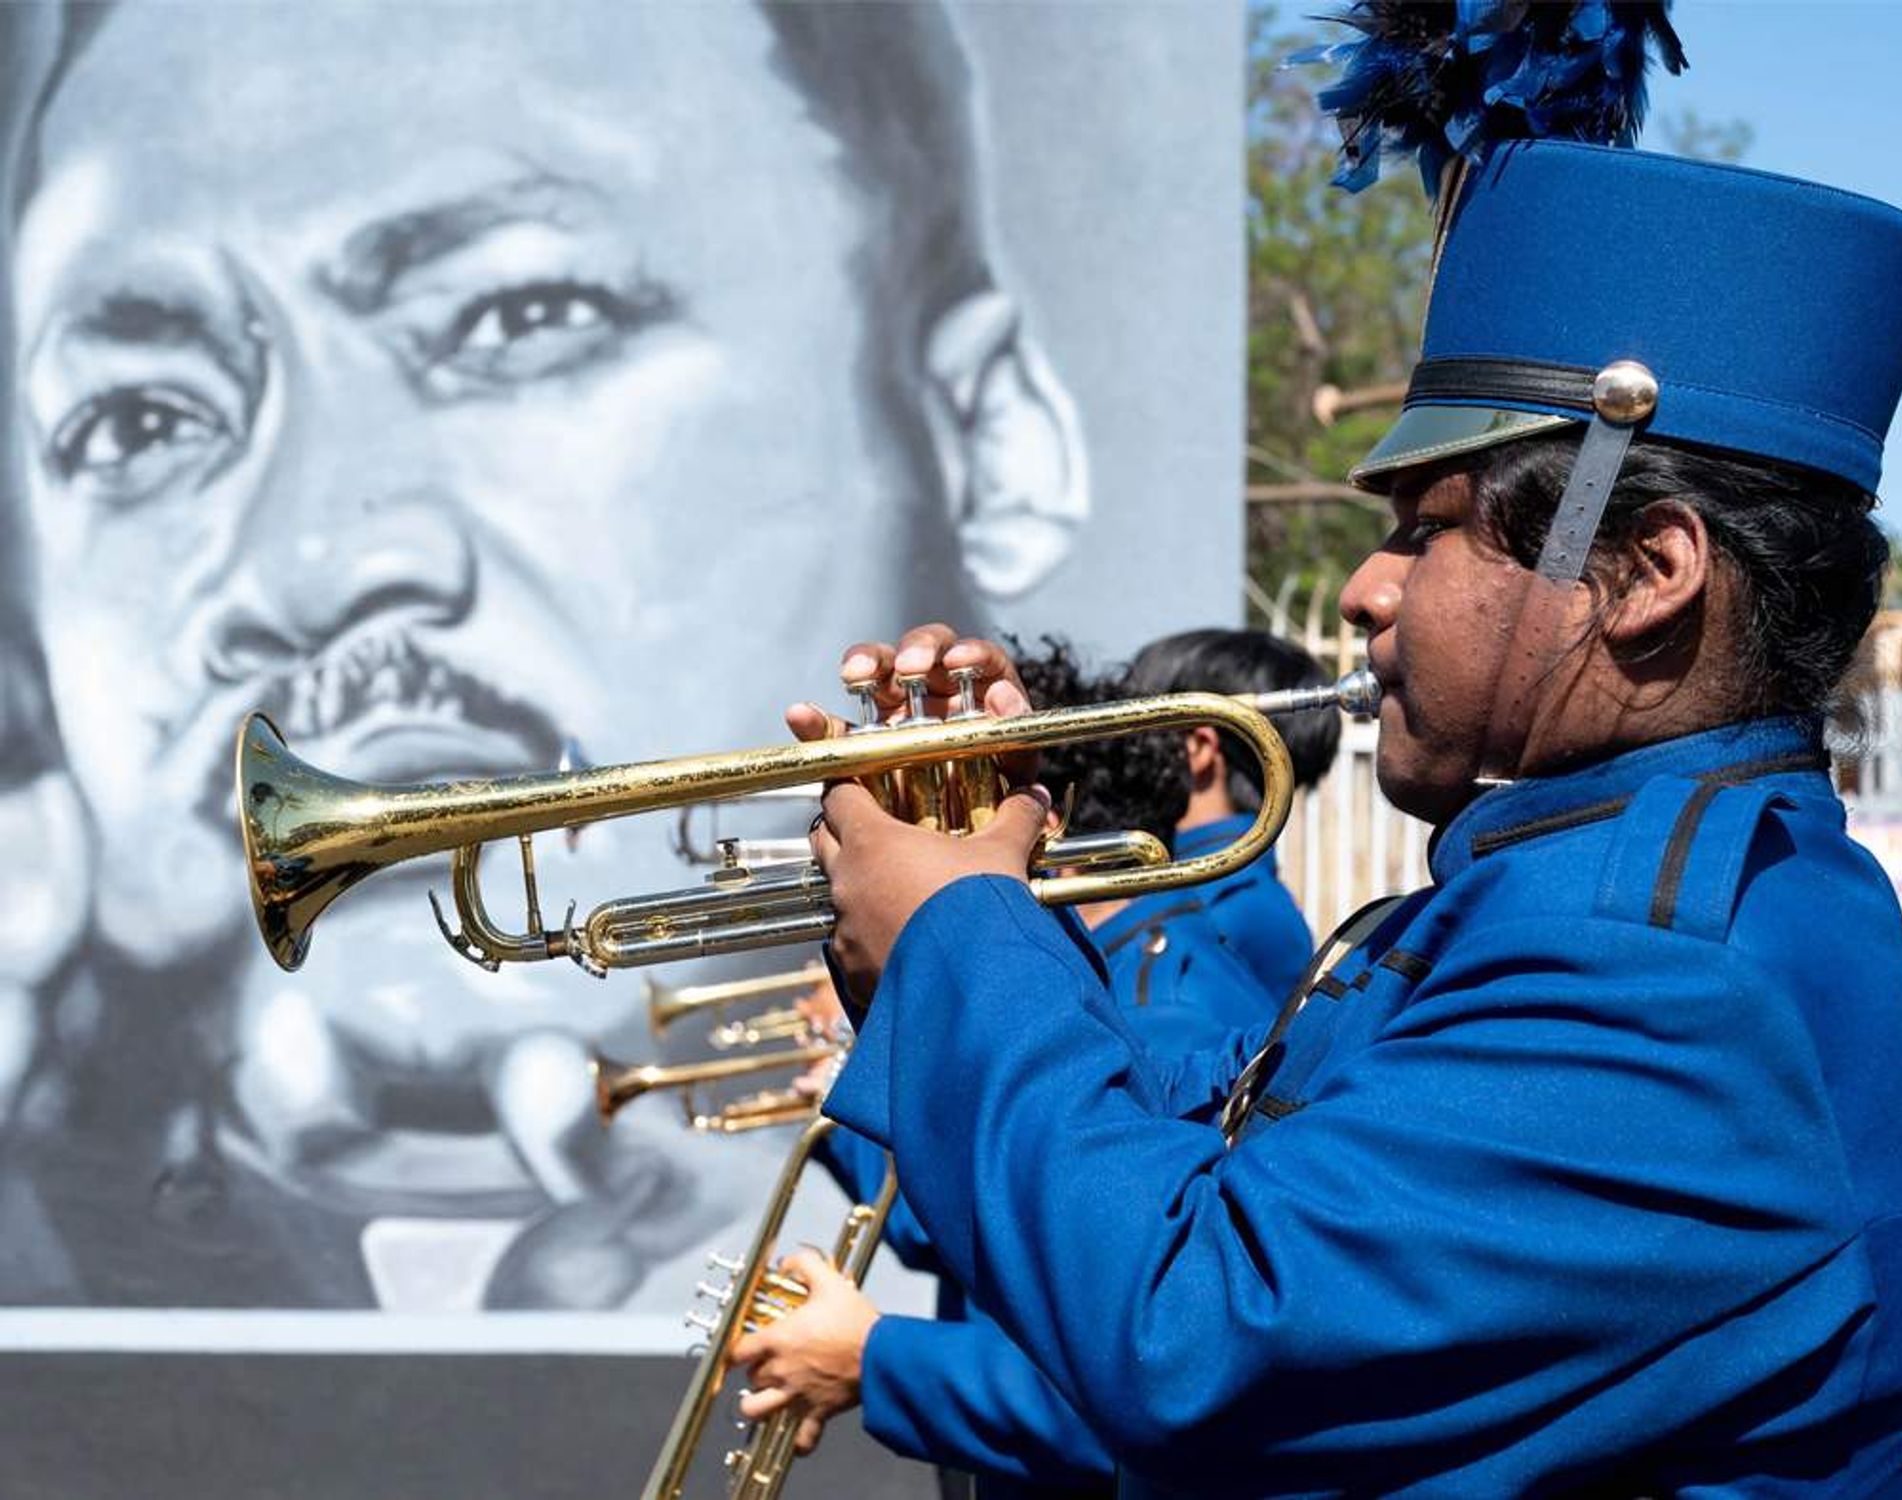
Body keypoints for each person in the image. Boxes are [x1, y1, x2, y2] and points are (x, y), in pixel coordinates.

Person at [748, 136, 1902, 1495]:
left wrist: (952, 938)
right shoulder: (1576, 895)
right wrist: (967, 890)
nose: (1364, 587)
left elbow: (1191, 1332)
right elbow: (1229, 1133)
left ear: (1643, 573)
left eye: (1424, 525)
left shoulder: (1662, 974)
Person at [1, 0, 1088, 1310]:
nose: (305, 565)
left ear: (988, 445)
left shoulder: (1132, 1102)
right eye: (138, 419)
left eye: (522, 314)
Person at [789, 638, 1274, 1497]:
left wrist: (878, 1360)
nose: (913, 851)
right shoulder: (1120, 976)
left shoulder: (1177, 1000)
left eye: (948, 819)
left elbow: (1131, 1355)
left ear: (1041, 823)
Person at [1117, 628, 1341, 1002]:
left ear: (1197, 748)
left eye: (1136, 730)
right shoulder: (1227, 897)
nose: (1115, 749)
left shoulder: (1230, 911)